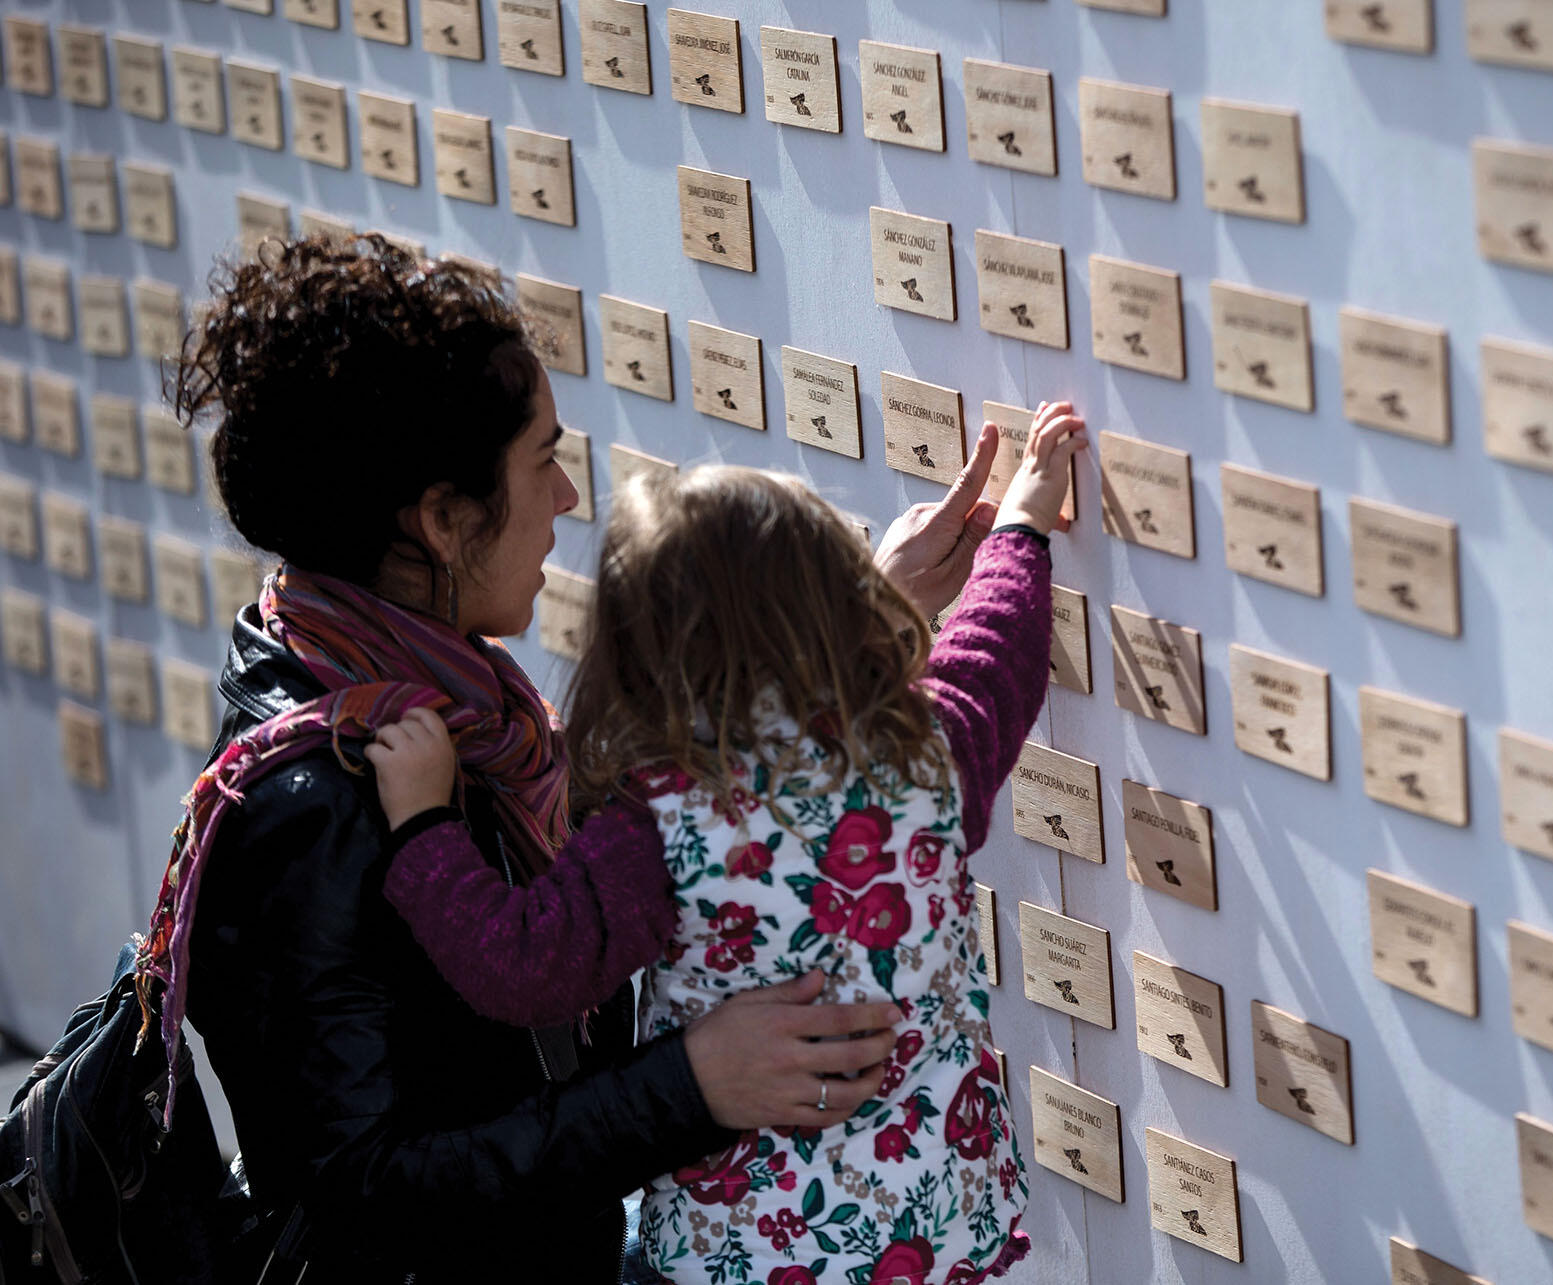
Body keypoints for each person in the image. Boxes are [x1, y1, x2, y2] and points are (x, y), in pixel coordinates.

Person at [142, 235, 1013, 1283]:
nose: (565, 498)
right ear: (444, 522)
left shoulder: (438, 699)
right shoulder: (315, 796)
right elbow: (356, 1193)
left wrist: (841, 627)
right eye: (542, 458)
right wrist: (692, 1087)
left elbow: (657, 843)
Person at [361, 403, 1087, 1284]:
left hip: (742, 1255)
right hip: (931, 1229)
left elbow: (524, 963)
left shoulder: (655, 819)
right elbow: (993, 655)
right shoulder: (921, 755)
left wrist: (425, 828)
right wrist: (1023, 521)